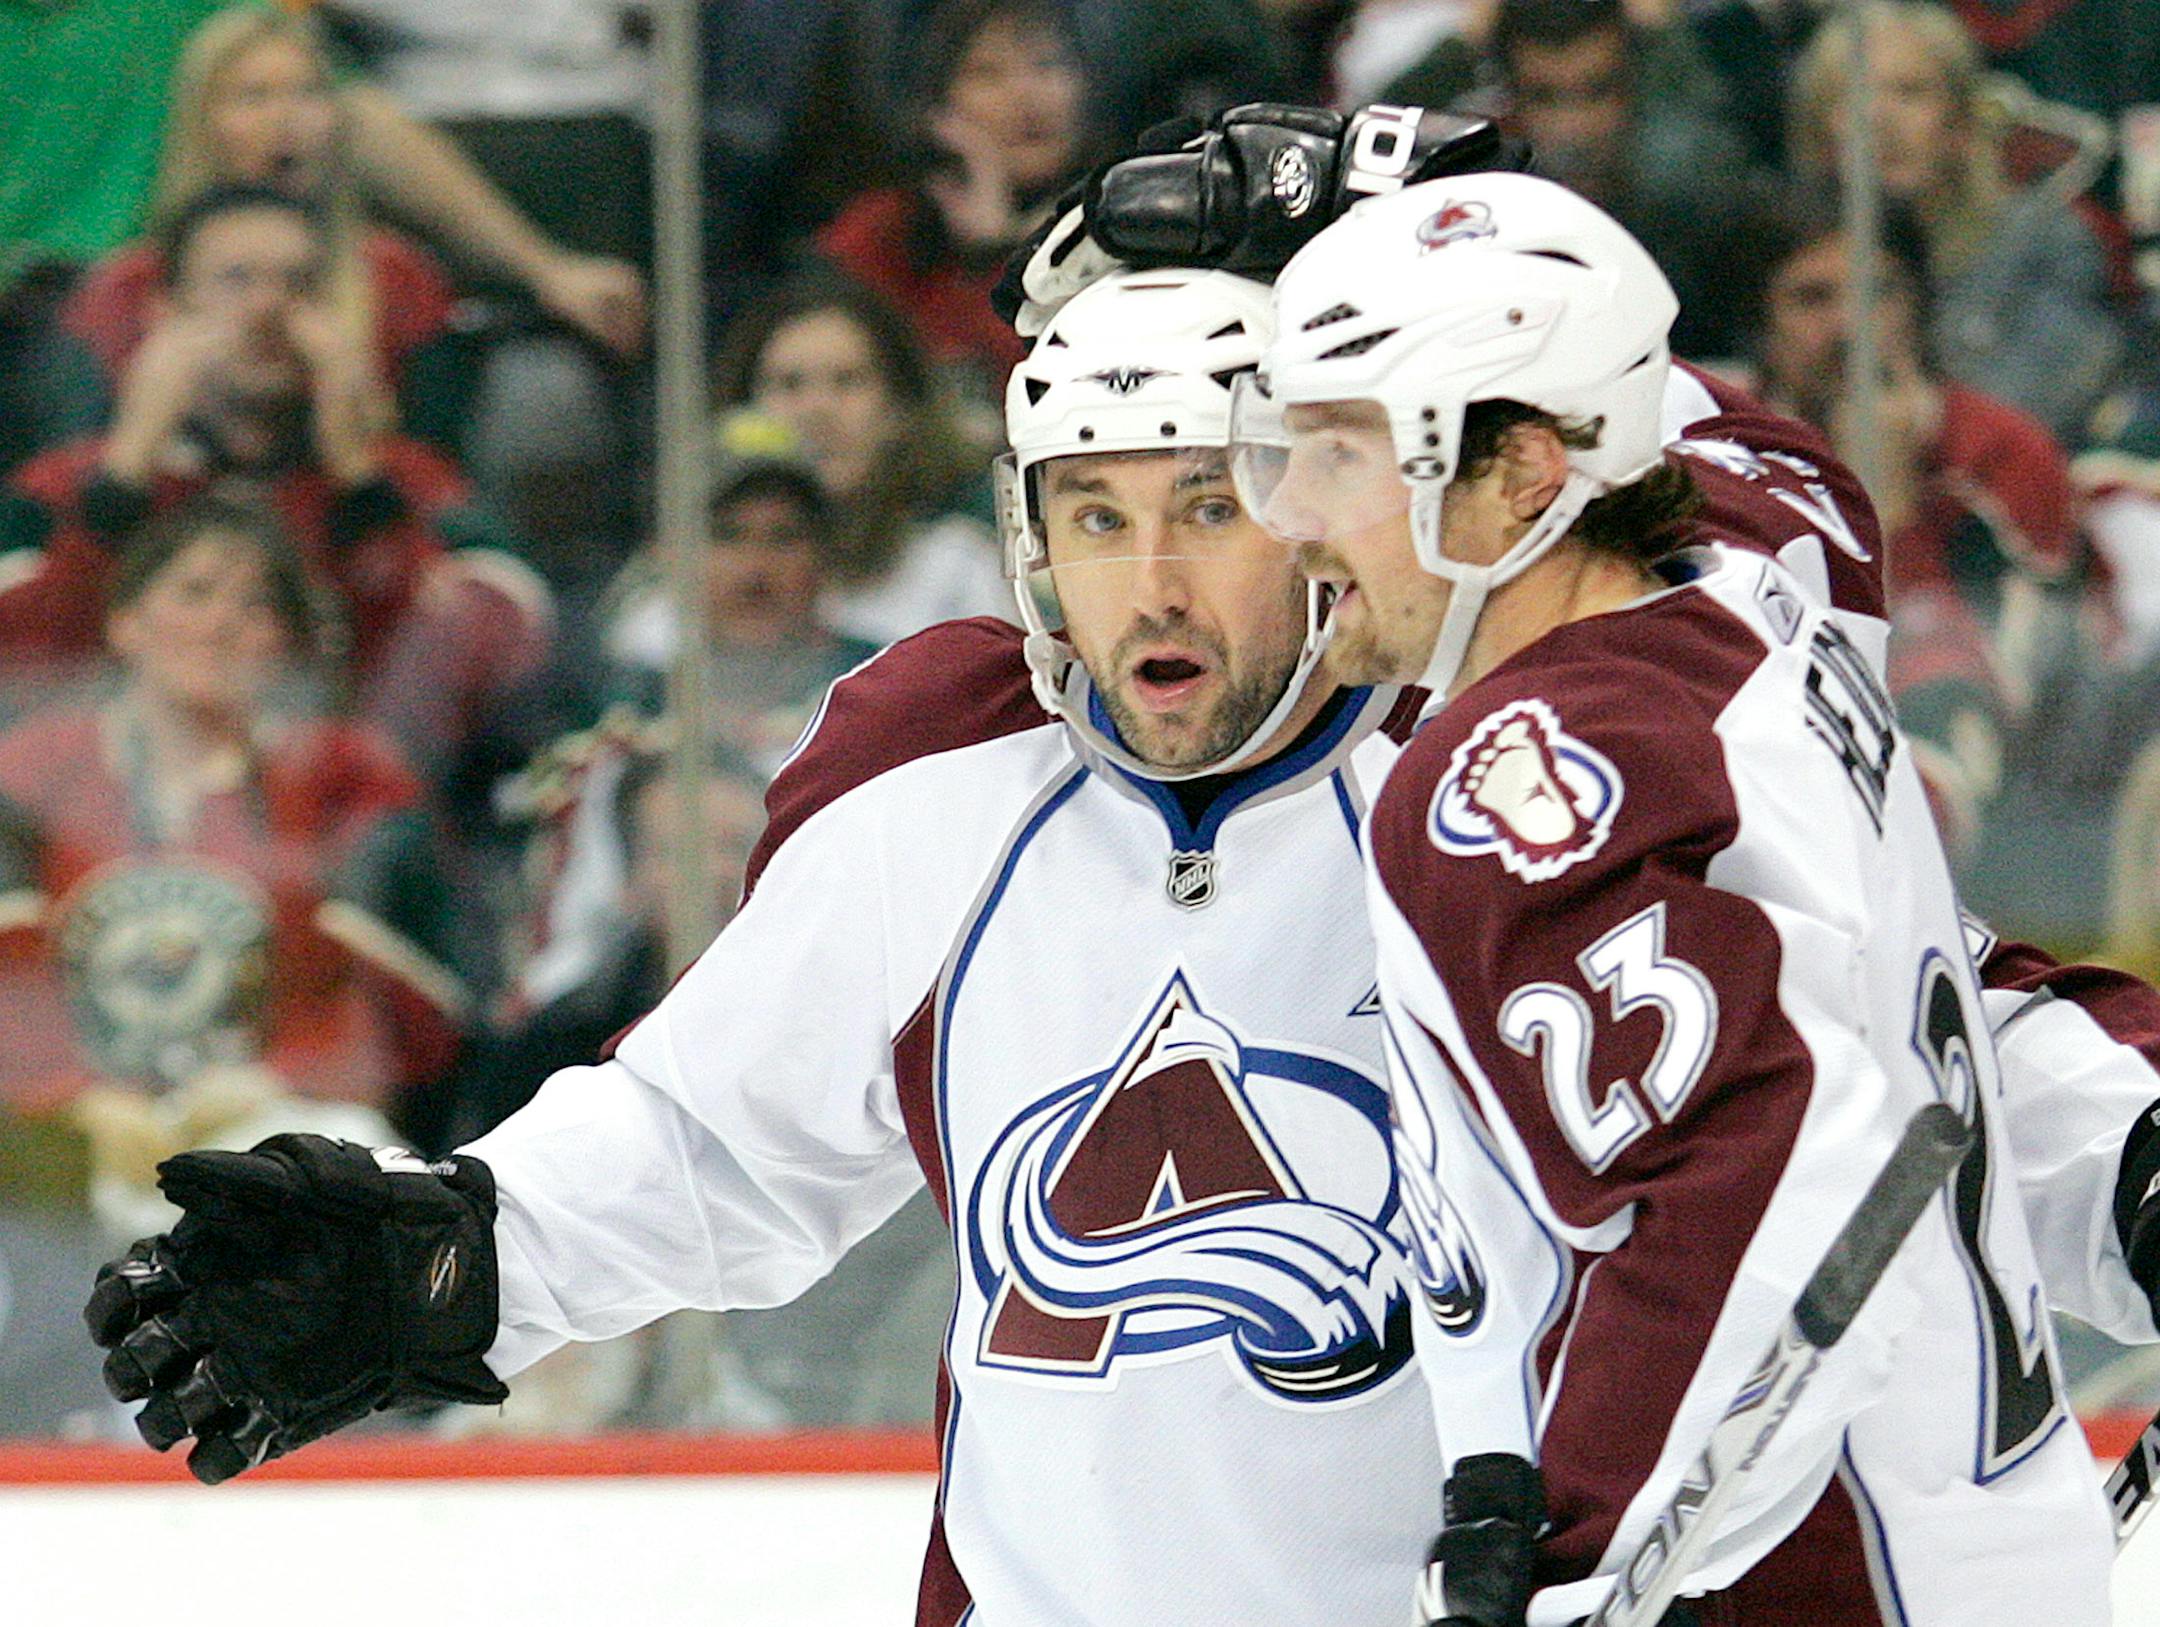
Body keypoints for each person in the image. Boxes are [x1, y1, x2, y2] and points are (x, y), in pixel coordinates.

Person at [73, 106, 2160, 1624]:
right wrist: (464, 1254)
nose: (1150, 577)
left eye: (1214, 501)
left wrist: (1429, 229)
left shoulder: (1511, 760)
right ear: (1022, 534)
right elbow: (717, 1139)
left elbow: (1871, 1035)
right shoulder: (933, 768)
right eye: (1093, 512)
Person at [1237, 170, 2115, 1622]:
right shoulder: (1745, 621)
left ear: (1520, 476)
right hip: (1970, 1536)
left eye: (1341, 455)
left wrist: (1577, 1557)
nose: (1293, 519)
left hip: (1807, 1573)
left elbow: (1749, 1178)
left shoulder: (1522, 773)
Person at [0, 493, 458, 1434]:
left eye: (254, 605)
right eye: (195, 591)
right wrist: (71, 1097)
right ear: (125, 621)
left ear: (284, 642)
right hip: (54, 1136)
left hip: (262, 1127)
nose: (222, 622)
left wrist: (265, 1080)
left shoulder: (343, 776)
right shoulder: (29, 773)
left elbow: (400, 1010)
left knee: (339, 1176)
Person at [0, 185, 551, 794]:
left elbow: (466, 675)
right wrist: (127, 469)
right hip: (106, 817)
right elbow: (33, 672)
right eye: (237, 280)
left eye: (300, 284)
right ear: (163, 312)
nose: (269, 307)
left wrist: (358, 477)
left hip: (338, 811)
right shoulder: (61, 487)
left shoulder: (411, 483)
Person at [710, 271, 1009, 646]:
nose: (816, 411)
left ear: (901, 406)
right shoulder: (692, 568)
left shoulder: (955, 569)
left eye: (847, 381)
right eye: (790, 384)